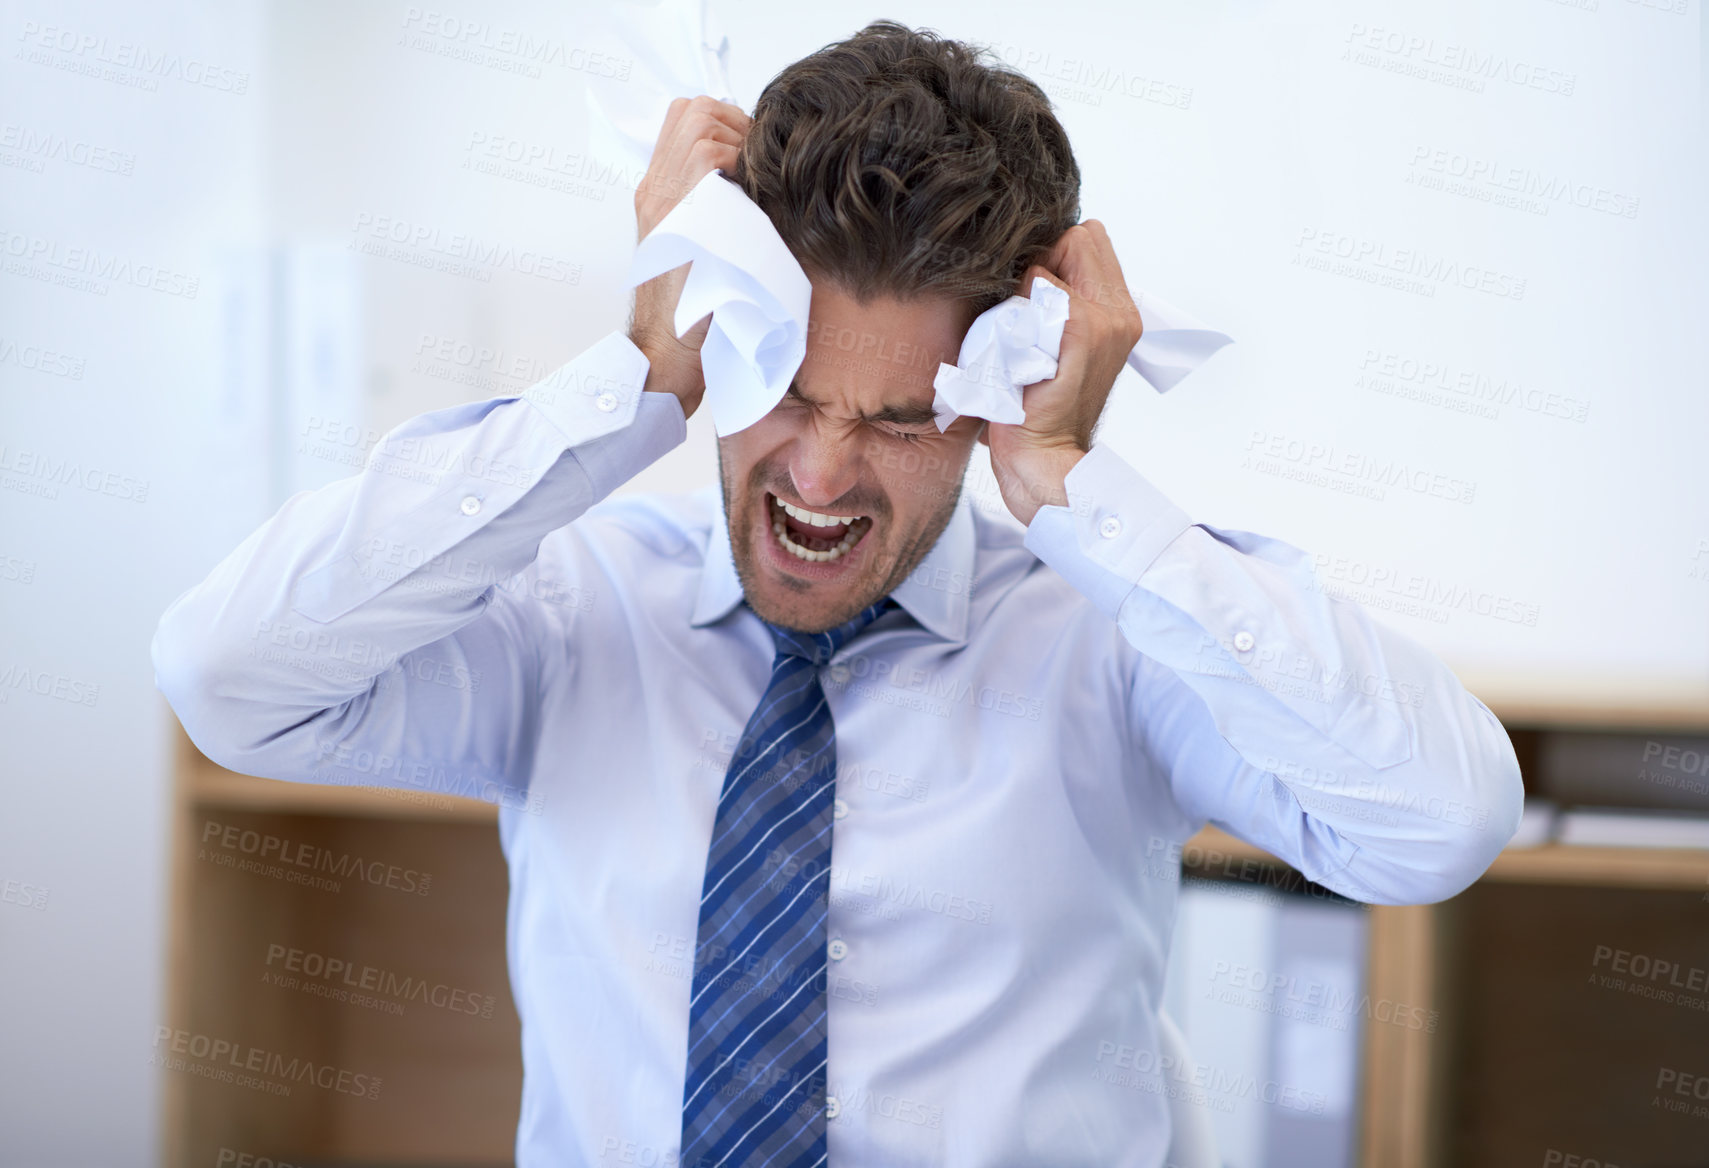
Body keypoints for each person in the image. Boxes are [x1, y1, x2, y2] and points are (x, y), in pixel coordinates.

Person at [150, 20, 1523, 1168]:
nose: (820, 470)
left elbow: (1434, 826)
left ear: (998, 394)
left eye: (903, 418)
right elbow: (230, 679)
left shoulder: (1106, 647)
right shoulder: (574, 617)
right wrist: (627, 391)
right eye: (785, 393)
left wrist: (1069, 484)